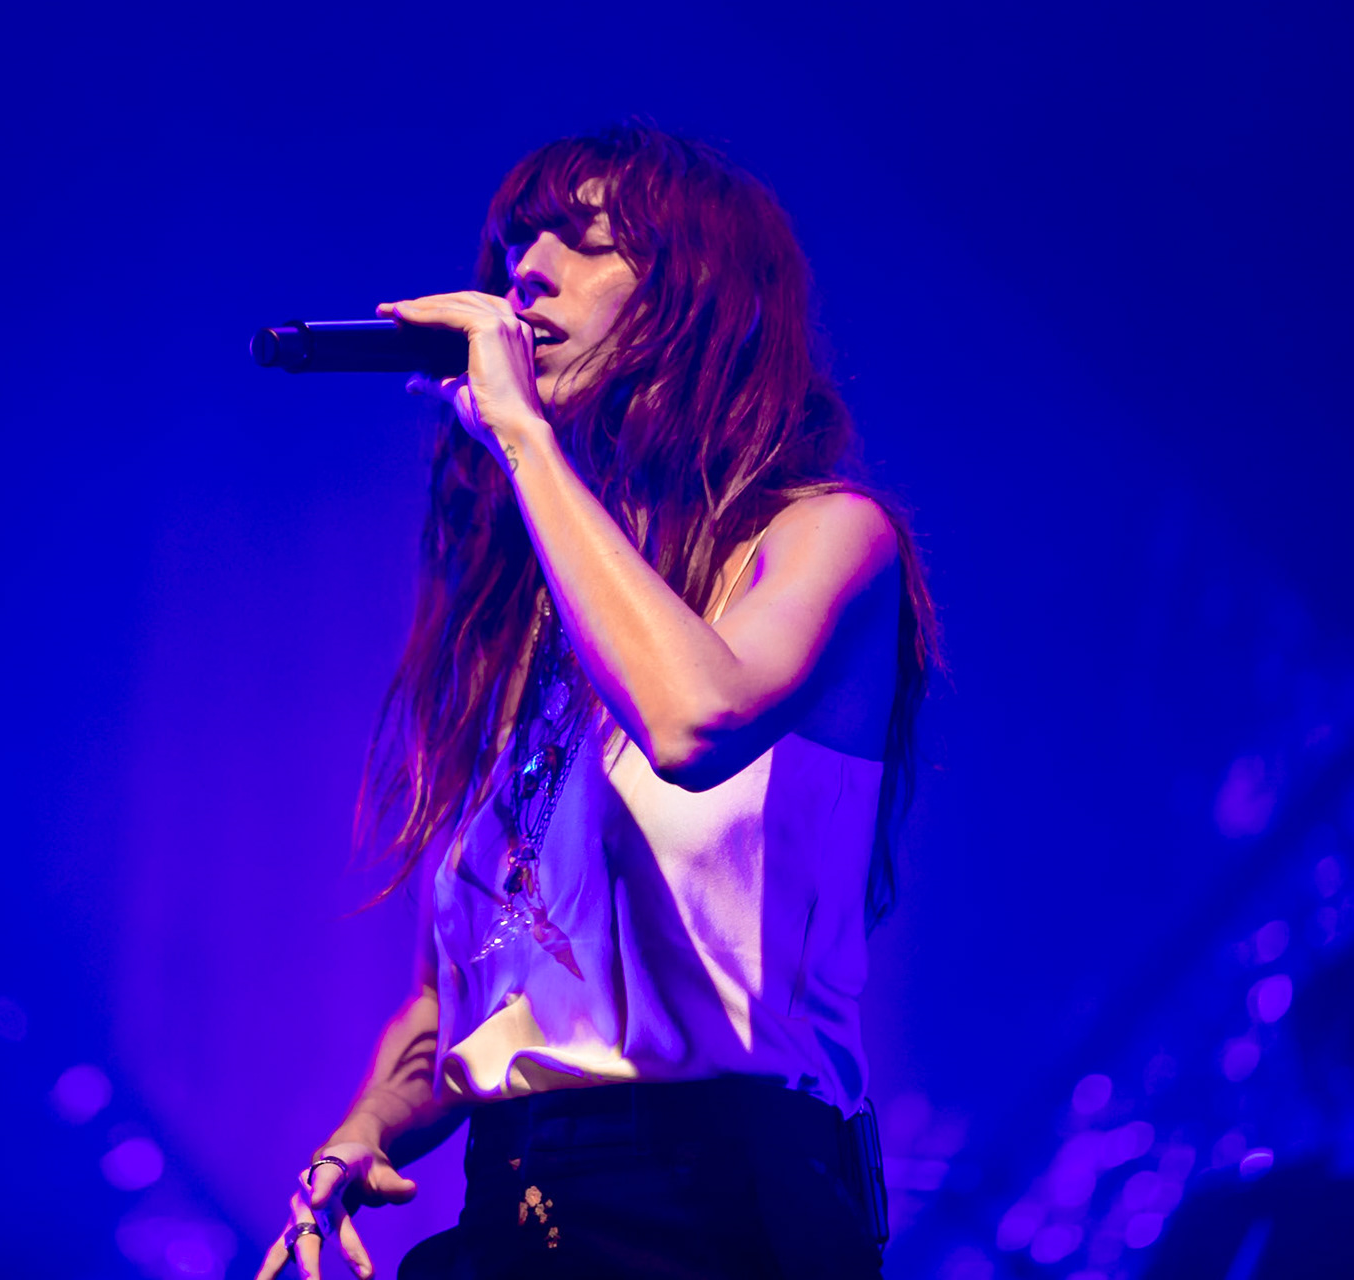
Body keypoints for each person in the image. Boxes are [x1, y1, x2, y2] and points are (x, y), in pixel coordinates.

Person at [254, 122, 938, 1280]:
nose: (525, 273)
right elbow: (469, 993)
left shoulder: (828, 542)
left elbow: (691, 721)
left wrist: (522, 434)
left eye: (583, 243)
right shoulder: (534, 626)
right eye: (517, 247)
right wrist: (363, 1126)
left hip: (722, 1210)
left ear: (702, 298)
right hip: (517, 1201)